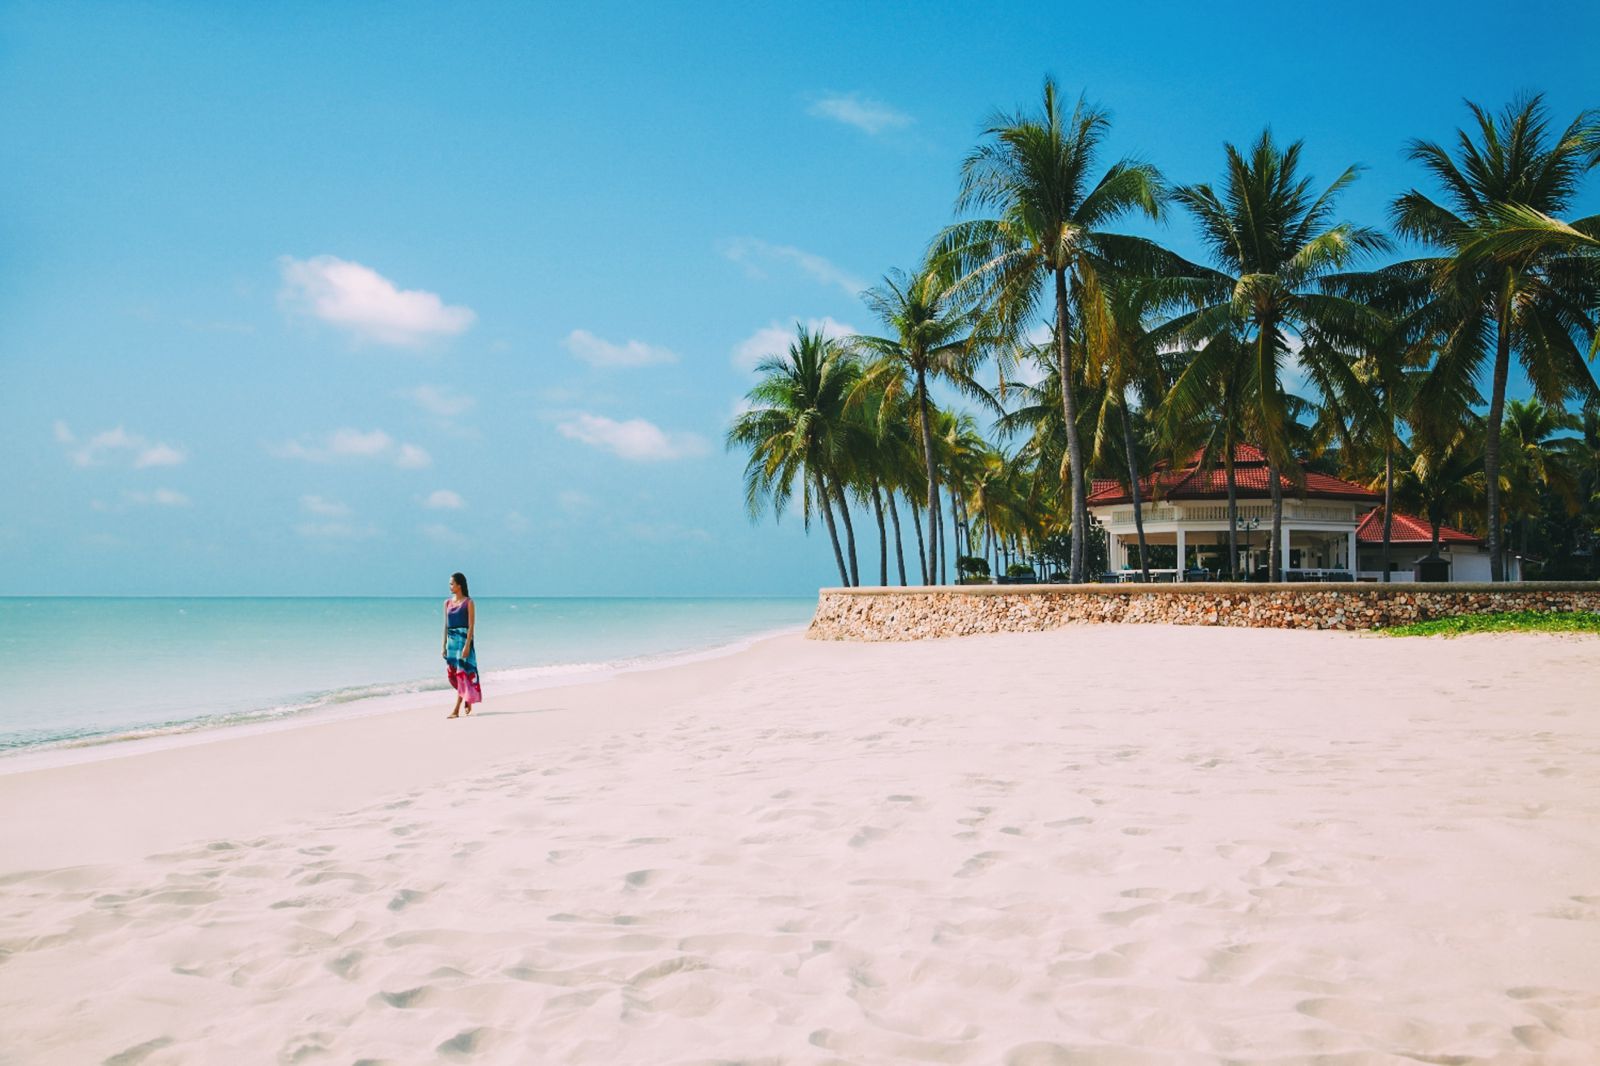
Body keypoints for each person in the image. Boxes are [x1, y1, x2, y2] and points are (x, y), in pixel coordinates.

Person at [442, 572, 481, 718]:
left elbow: (471, 626)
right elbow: (446, 626)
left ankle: (456, 710)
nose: (450, 586)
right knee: (452, 676)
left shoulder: (469, 602)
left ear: (459, 585)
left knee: (461, 675)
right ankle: (467, 697)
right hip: (451, 643)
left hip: (463, 642)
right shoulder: (447, 603)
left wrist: (467, 645)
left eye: (452, 583)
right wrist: (443, 645)